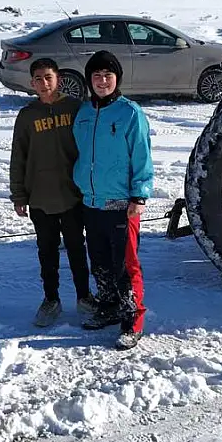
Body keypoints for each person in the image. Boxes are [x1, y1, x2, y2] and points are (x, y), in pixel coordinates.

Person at [72, 50, 153, 350]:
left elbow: (142, 157)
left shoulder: (130, 113)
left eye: (108, 75)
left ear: (117, 78)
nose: (102, 81)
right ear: (89, 80)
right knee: (101, 262)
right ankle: (108, 307)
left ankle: (133, 319)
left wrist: (139, 195)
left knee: (126, 265)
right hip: (91, 203)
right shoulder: (82, 113)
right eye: (96, 76)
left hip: (122, 203)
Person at [9, 57, 99, 327]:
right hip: (40, 197)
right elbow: (18, 158)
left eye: (49, 77)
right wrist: (19, 195)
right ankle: (51, 299)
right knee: (46, 251)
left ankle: (84, 296)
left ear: (58, 79)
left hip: (72, 194)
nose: (44, 83)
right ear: (32, 83)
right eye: (38, 79)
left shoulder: (75, 108)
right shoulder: (27, 116)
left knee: (76, 247)